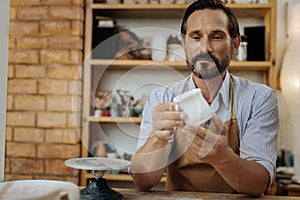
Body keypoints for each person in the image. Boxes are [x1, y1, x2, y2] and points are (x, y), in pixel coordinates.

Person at [130, 0, 279, 197]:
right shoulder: (162, 98)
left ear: (235, 45)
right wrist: (157, 138)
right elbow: (143, 182)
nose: (205, 48)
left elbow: (259, 183)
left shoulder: (258, 98)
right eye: (195, 37)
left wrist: (222, 157)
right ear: (184, 44)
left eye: (216, 37)